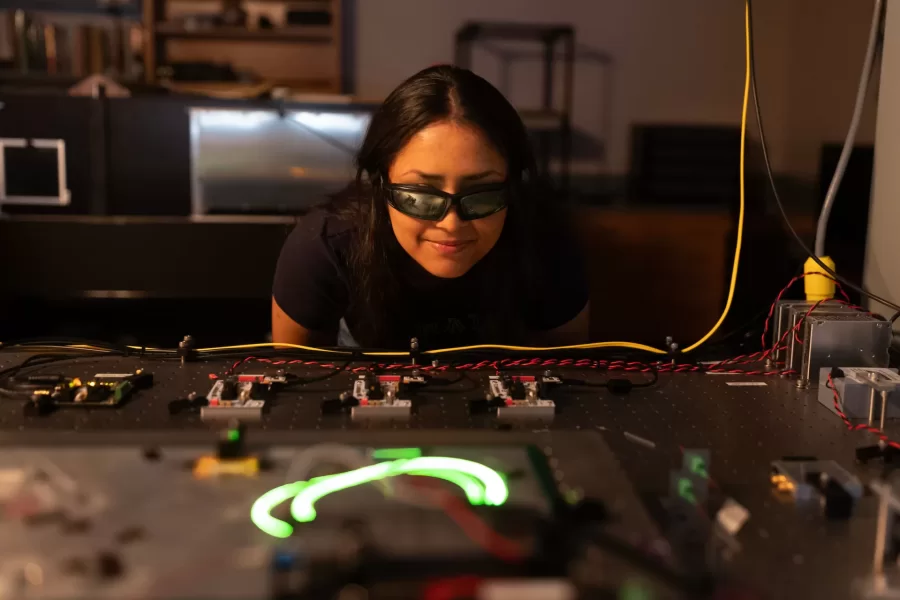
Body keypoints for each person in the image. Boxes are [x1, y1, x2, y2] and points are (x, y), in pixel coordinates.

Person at [272, 65, 589, 349]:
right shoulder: (327, 246)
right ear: (381, 182)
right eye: (421, 195)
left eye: (481, 194)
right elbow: (295, 376)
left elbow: (573, 372)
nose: (451, 224)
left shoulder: (547, 243)